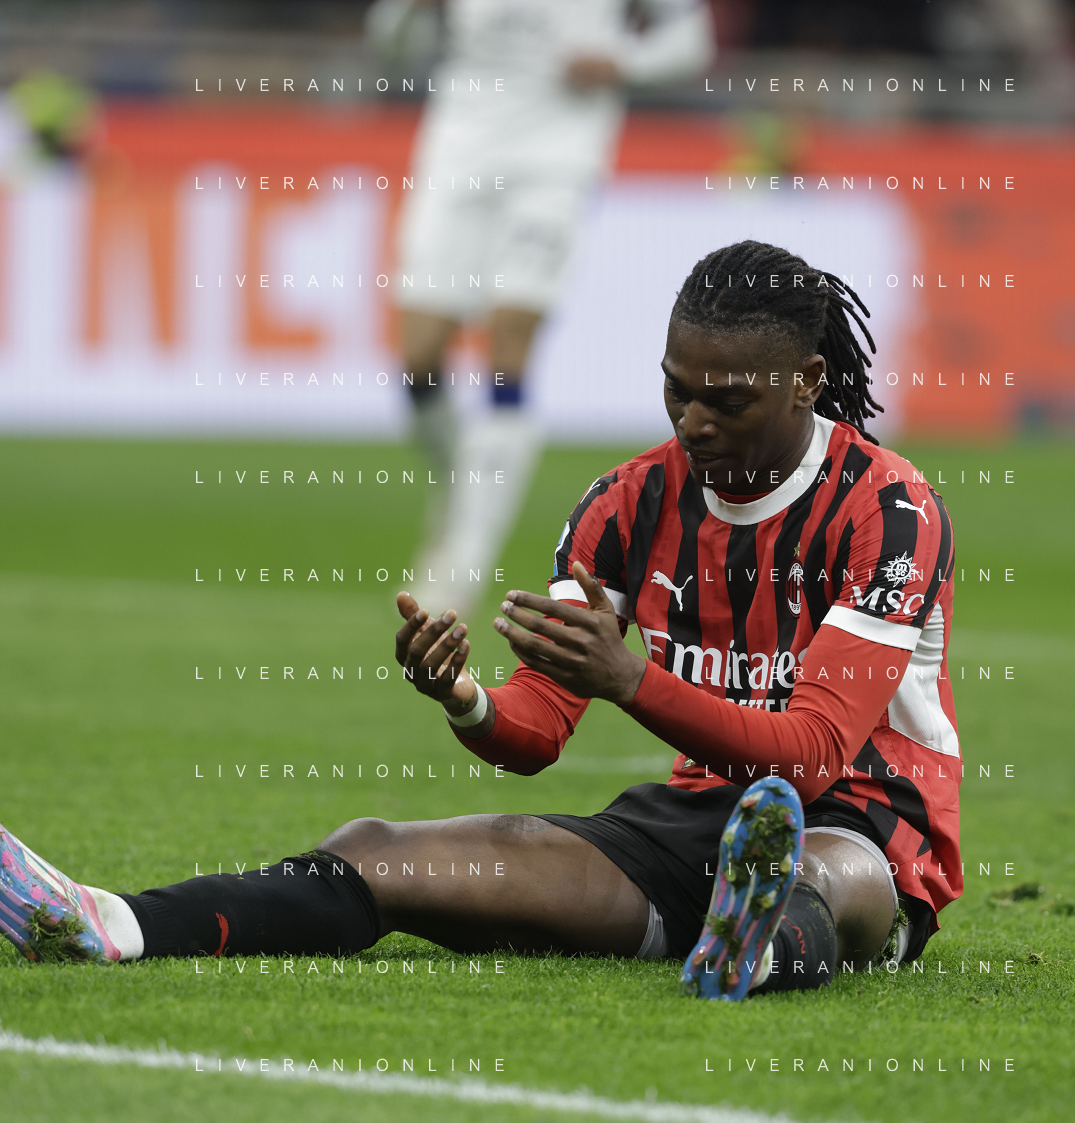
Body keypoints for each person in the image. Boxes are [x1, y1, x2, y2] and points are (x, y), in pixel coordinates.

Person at [0, 240, 962, 1002]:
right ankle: (109, 924)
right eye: (677, 387)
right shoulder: (627, 502)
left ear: (805, 380)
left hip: (865, 821)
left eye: (727, 400)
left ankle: (763, 942)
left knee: (823, 873)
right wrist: (465, 698)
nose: (693, 421)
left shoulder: (888, 511)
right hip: (695, 823)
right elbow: (535, 732)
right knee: (380, 849)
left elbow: (809, 758)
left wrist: (630, 680)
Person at [368, 0, 714, 613]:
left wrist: (622, 61)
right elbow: (388, 44)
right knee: (418, 358)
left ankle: (463, 558)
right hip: (458, 154)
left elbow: (692, 40)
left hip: (558, 159)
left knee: (509, 343)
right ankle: (462, 492)